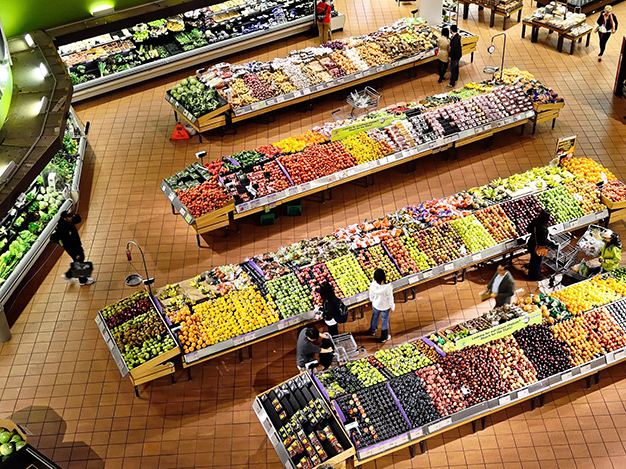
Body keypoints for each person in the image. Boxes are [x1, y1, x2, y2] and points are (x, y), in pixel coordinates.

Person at [51, 211, 94, 286]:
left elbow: (78, 220)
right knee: (79, 262)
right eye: (70, 216)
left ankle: (69, 275)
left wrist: (74, 216)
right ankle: (82, 280)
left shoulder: (67, 222)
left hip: (75, 246)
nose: (72, 217)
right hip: (73, 249)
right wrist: (76, 253)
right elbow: (69, 243)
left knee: (79, 261)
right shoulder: (63, 228)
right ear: (65, 218)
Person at [526, 210, 556, 282]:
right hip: (539, 247)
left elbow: (528, 229)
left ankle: (531, 275)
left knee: (533, 260)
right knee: (537, 262)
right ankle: (534, 277)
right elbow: (543, 240)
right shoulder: (542, 227)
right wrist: (552, 244)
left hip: (532, 244)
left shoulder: (535, 221)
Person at [368, 269, 395, 343]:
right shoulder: (388, 287)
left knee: (375, 316)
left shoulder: (373, 285)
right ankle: (384, 337)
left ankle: (372, 330)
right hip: (385, 307)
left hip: (376, 305)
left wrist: (373, 300)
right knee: (385, 321)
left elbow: (371, 295)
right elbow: (390, 298)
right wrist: (392, 306)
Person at [447, 24, 462, 89]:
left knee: (453, 69)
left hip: (455, 56)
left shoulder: (455, 39)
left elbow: (453, 49)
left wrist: (450, 56)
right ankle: (455, 78)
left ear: (451, 30)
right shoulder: (457, 37)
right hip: (458, 55)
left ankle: (451, 83)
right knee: (456, 67)